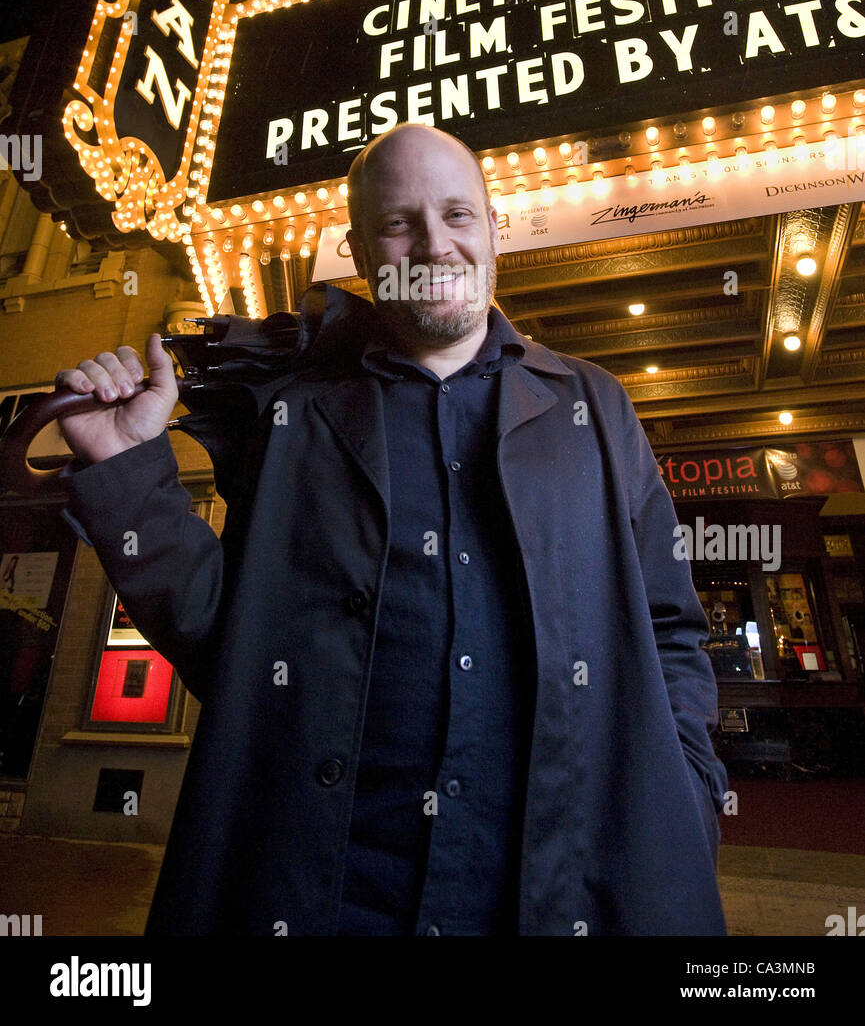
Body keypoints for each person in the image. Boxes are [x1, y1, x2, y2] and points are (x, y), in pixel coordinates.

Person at [55, 121, 728, 936]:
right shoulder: (293, 410)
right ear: (360, 249)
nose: (434, 245)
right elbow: (229, 644)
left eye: (457, 215)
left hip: (554, 896)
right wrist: (128, 473)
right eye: (397, 222)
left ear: (491, 230)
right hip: (327, 900)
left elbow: (669, 627)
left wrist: (689, 785)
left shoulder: (592, 405)